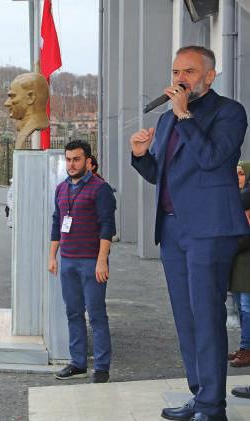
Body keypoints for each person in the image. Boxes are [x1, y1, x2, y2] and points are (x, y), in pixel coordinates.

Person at [130, 45, 249, 421]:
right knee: (185, 317)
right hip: (173, 229)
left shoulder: (229, 112)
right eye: (176, 71)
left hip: (211, 230)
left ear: (210, 77)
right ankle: (200, 396)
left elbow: (213, 159)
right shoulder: (166, 122)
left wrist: (185, 117)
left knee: (206, 314)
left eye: (190, 72)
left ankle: (214, 407)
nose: (180, 79)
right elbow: (163, 177)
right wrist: (140, 156)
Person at [47, 140, 116, 384]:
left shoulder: (101, 189)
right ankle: (78, 363)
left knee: (97, 315)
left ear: (88, 161)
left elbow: (108, 226)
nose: (71, 164)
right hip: (68, 261)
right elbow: (57, 222)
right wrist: (52, 256)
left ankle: (102, 367)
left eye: (76, 159)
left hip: (91, 262)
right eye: (68, 159)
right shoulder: (61, 188)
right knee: (73, 312)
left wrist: (102, 261)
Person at [229, 161, 250, 369]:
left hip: (245, 261)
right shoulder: (237, 197)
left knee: (246, 307)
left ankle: (247, 349)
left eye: (242, 174)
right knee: (241, 307)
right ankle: (244, 346)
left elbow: (244, 232)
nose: (238, 177)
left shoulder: (245, 197)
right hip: (239, 262)